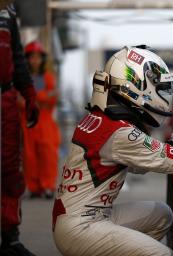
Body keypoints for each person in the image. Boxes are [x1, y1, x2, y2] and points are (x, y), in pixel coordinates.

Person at [52, 46, 173, 256]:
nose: (163, 95)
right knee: (163, 255)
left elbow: (141, 161)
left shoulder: (104, 121)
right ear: (135, 84)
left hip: (83, 218)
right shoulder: (118, 131)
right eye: (159, 88)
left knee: (162, 215)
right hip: (82, 227)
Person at [0, 3, 39, 256]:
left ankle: (10, 238)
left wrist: (29, 93)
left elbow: (17, 57)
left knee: (11, 172)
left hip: (6, 101)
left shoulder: (8, 13)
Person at [20, 41, 60, 199]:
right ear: (27, 59)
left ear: (42, 59)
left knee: (48, 155)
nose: (35, 60)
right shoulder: (22, 78)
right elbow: (18, 100)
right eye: (32, 57)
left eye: (38, 57)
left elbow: (53, 97)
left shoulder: (48, 77)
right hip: (28, 122)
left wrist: (32, 100)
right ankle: (34, 188)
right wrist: (40, 98)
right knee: (29, 157)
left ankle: (48, 186)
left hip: (45, 122)